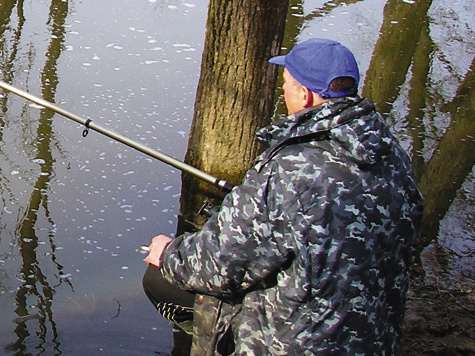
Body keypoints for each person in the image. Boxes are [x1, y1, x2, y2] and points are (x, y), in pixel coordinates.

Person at [142, 38, 423, 355]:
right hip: (374, 338)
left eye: (286, 84)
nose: (282, 91)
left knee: (158, 280)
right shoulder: (392, 155)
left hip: (301, 344)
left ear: (304, 96)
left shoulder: (291, 168)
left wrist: (168, 254)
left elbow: (217, 263)